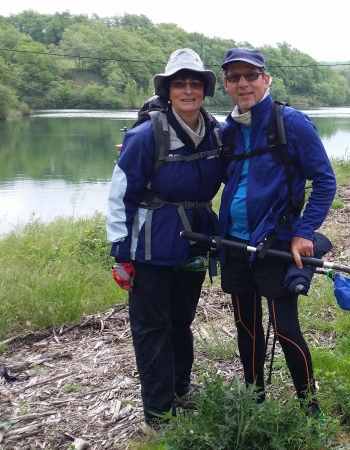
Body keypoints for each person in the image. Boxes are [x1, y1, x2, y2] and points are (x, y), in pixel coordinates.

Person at [106, 48, 223, 428]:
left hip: (196, 240)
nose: (188, 90)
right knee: (152, 327)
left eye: (195, 83)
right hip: (150, 246)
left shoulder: (217, 133)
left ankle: (180, 388)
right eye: (179, 83)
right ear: (168, 90)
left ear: (204, 90)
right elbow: (120, 194)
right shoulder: (146, 136)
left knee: (180, 320)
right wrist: (120, 254)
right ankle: (158, 413)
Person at [217, 48, 336, 414]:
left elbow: (325, 181)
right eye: (234, 77)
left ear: (266, 79)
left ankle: (311, 409)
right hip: (235, 245)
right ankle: (255, 406)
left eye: (251, 75)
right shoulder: (227, 131)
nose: (243, 83)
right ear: (226, 85)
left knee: (285, 329)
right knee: (246, 327)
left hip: (276, 244)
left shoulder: (291, 123)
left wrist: (304, 231)